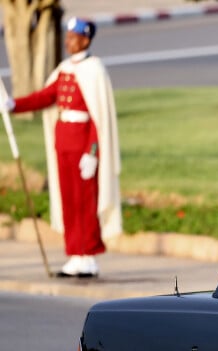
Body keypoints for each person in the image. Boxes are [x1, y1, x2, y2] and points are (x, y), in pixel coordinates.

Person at [7, 17, 122, 278]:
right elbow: (46, 97)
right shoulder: (64, 69)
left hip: (83, 147)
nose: (68, 41)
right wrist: (15, 105)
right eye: (67, 36)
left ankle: (89, 255)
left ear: (85, 39)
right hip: (64, 144)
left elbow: (98, 117)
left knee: (86, 203)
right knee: (69, 200)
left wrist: (92, 152)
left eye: (72, 37)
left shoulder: (94, 69)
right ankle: (75, 254)